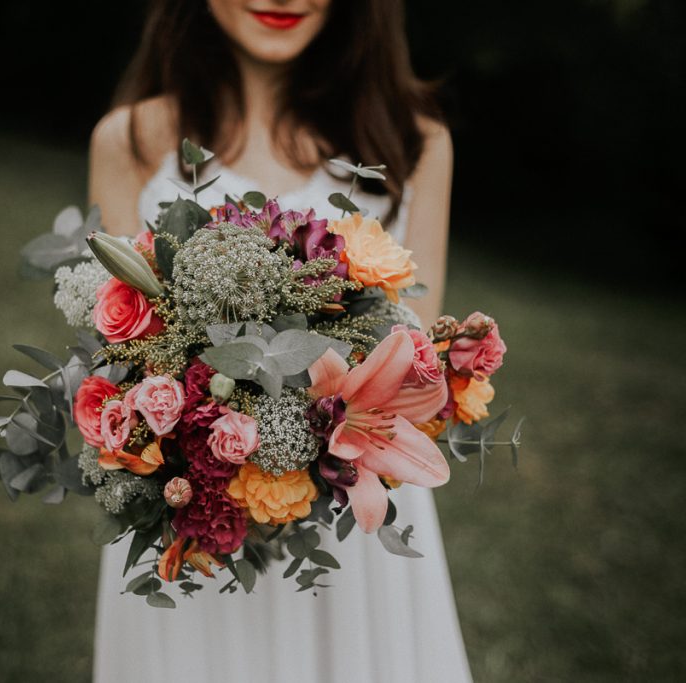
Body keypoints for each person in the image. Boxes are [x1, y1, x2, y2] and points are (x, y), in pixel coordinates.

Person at [88, 1, 470, 681]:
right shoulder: (131, 142)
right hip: (196, 540)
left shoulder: (413, 143)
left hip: (353, 535)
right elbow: (125, 361)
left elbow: (416, 373)